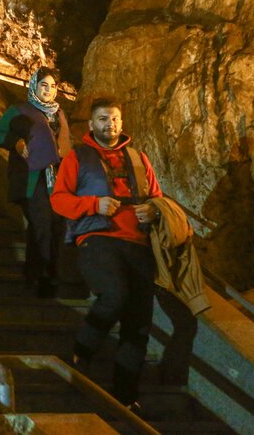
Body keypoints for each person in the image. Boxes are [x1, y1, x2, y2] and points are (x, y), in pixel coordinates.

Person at [50, 97, 163, 409]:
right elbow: (58, 200)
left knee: (139, 322)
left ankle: (126, 396)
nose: (108, 124)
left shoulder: (139, 159)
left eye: (113, 119)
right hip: (98, 237)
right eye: (102, 119)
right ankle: (81, 350)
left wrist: (152, 210)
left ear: (121, 123)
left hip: (138, 243)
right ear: (91, 124)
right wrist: (92, 204)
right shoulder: (78, 157)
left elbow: (158, 198)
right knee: (114, 294)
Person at [0, 67, 71, 297]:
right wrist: (16, 142)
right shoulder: (20, 111)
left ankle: (36, 276)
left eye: (53, 86)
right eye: (44, 85)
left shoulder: (59, 114)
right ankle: (45, 278)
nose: (49, 90)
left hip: (57, 180)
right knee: (42, 223)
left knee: (54, 227)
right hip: (32, 179)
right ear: (34, 85)